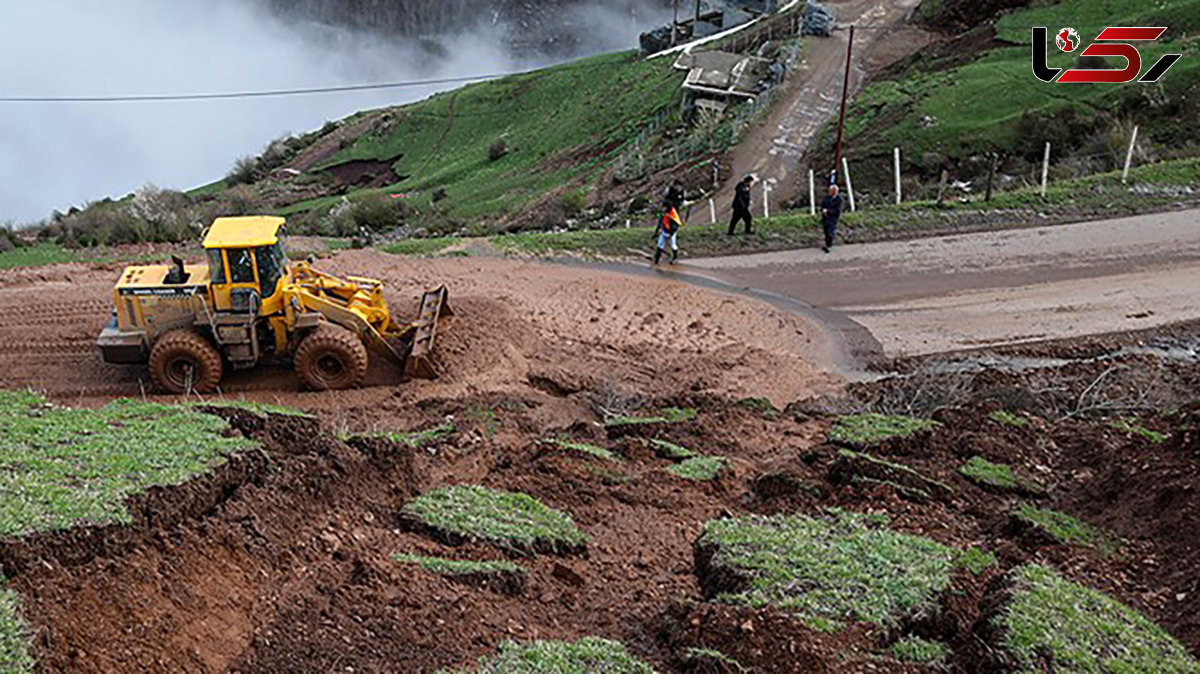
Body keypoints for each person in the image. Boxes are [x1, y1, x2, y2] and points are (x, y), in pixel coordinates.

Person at [820, 184, 844, 253]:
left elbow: (838, 211)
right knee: (826, 231)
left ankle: (829, 245)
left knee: (830, 231)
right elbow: (823, 205)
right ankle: (827, 244)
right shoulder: (827, 198)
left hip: (833, 218)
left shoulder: (838, 200)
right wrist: (823, 210)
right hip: (825, 217)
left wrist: (828, 211)